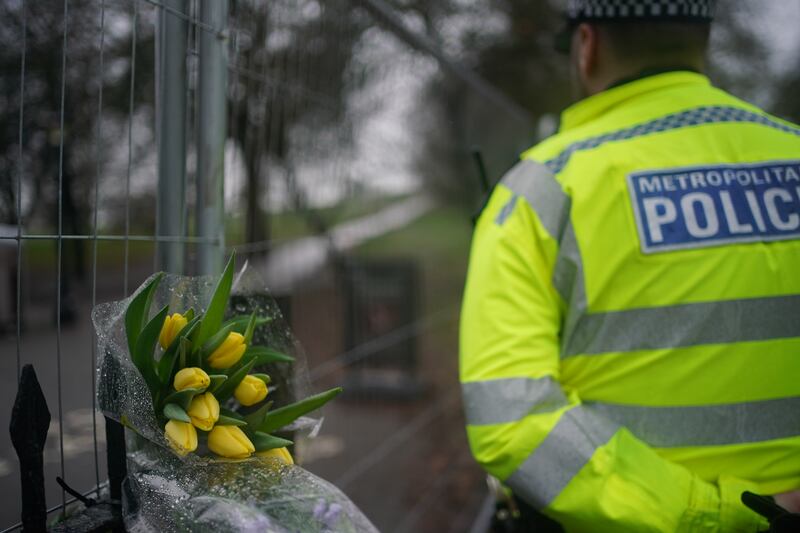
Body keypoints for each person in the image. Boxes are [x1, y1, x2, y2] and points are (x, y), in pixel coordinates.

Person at [459, 0, 800, 531]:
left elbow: (513, 420)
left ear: (588, 45)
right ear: (703, 40)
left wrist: (713, 514)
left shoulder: (542, 189)